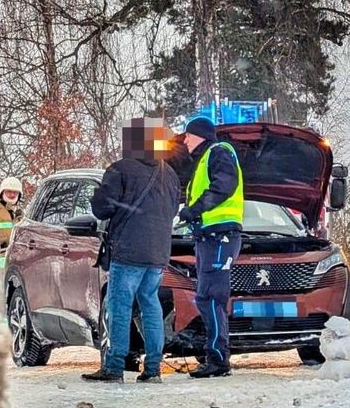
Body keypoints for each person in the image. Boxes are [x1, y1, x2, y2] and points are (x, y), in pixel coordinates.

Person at [82, 118, 180, 383]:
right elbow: (173, 211)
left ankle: (114, 366)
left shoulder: (121, 169)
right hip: (158, 253)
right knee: (151, 305)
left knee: (120, 306)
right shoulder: (168, 173)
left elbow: (102, 208)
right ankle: (153, 368)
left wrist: (96, 195)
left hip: (128, 251)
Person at [172, 116, 244, 378]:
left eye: (188, 135)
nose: (185, 140)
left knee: (212, 298)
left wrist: (196, 208)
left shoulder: (219, 152)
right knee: (206, 297)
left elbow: (225, 185)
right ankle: (215, 355)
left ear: (200, 135)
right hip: (209, 237)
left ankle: (217, 359)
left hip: (220, 236)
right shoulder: (204, 161)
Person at [0, 176, 23, 251]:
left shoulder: (19, 214)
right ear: (2, 193)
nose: (12, 195)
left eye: (15, 192)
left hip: (13, 255)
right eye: (9, 192)